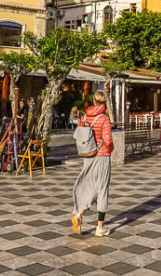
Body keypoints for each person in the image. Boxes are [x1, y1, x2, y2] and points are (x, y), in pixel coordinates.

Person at [71, 91, 113, 237]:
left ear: (94, 101)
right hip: (101, 156)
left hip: (87, 155)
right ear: (104, 102)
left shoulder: (84, 116)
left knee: (90, 188)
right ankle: (100, 227)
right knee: (102, 189)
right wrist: (110, 150)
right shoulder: (104, 118)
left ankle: (79, 214)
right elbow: (107, 140)